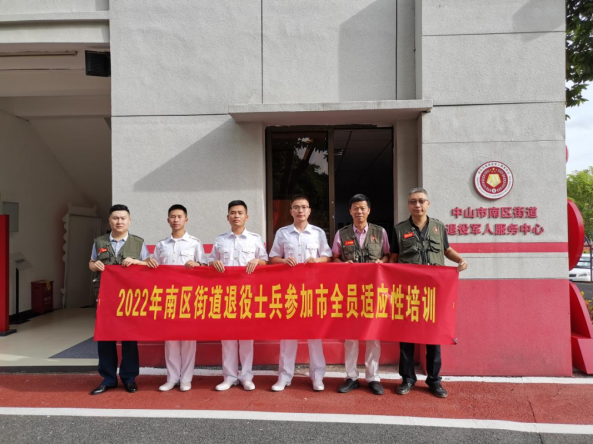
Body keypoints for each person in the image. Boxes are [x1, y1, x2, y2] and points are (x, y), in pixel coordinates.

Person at [390, 187, 468, 398]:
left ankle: (434, 380)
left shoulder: (438, 227)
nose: (417, 205)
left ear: (428, 203)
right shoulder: (399, 229)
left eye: (421, 201)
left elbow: (446, 250)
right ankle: (407, 379)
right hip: (408, 292)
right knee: (406, 336)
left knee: (434, 336)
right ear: (408, 205)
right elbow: (393, 259)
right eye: (413, 201)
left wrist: (461, 260)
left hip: (434, 292)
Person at [268, 195, 332, 392]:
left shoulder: (318, 233)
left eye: (304, 207)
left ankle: (317, 376)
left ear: (309, 211)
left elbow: (327, 256)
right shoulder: (283, 233)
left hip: (313, 290)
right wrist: (283, 261)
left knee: (314, 335)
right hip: (289, 290)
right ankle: (284, 376)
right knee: (288, 335)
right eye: (296, 207)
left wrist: (317, 260)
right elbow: (273, 257)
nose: (300, 210)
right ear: (291, 211)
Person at [88, 204, 150, 395]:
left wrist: (137, 262)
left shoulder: (138, 243)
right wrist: (95, 265)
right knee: (105, 339)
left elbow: (148, 264)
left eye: (123, 218)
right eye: (115, 218)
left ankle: (129, 378)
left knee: (129, 339)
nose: (119, 221)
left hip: (129, 299)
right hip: (105, 298)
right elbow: (91, 263)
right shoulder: (99, 242)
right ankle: (108, 379)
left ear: (129, 221)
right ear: (110, 221)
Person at [332, 194, 390, 395]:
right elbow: (334, 258)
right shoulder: (342, 233)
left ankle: (373, 377)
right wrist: (342, 265)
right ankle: (351, 377)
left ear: (369, 210)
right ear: (350, 211)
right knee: (351, 336)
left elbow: (387, 255)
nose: (359, 211)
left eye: (363, 208)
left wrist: (382, 262)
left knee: (373, 335)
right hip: (351, 291)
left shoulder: (380, 232)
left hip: (374, 290)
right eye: (355, 208)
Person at [147, 204, 208, 392]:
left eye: (179, 216)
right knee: (171, 339)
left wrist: (197, 265)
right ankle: (172, 378)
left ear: (186, 220)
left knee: (188, 339)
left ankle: (186, 379)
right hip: (169, 297)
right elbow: (153, 269)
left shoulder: (194, 243)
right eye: (172, 217)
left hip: (189, 297)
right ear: (168, 220)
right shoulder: (161, 245)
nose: (176, 220)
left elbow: (205, 267)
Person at [209, 200, 268, 391]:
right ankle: (229, 376)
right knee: (227, 338)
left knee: (246, 337)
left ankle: (246, 376)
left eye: (240, 213)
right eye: (233, 213)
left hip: (247, 294)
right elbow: (210, 261)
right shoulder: (220, 240)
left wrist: (257, 261)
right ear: (227, 217)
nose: (236, 216)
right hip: (225, 294)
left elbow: (265, 261)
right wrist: (214, 263)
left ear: (246, 217)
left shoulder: (255, 239)